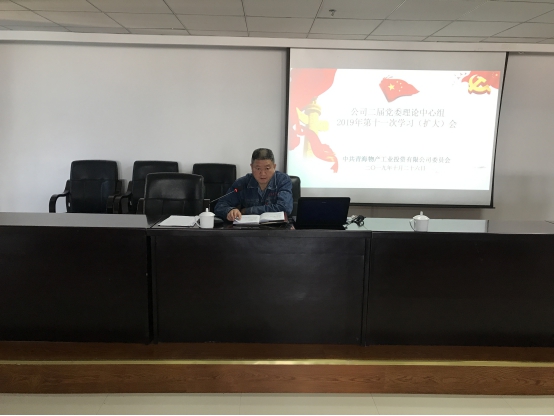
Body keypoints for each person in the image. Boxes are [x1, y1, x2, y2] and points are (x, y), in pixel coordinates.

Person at [214, 148, 293, 221]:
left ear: (274, 167)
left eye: (267, 168)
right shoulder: (242, 183)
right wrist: (230, 211)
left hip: (276, 229)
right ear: (251, 167)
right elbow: (220, 206)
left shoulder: (283, 180)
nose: (262, 173)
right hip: (249, 229)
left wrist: (247, 211)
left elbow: (285, 208)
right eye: (258, 168)